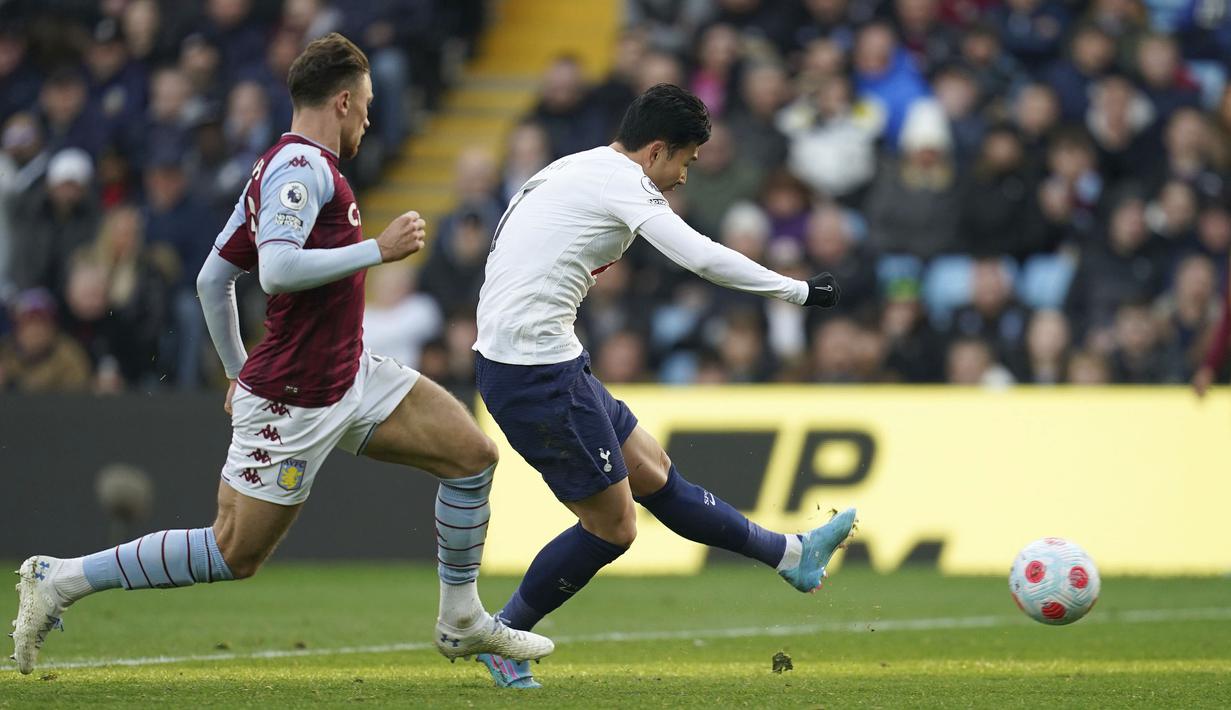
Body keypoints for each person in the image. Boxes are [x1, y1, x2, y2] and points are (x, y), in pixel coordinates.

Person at [11, 32, 552, 676]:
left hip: (348, 373)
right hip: (295, 397)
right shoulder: (302, 170)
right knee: (233, 551)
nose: (372, 117)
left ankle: (461, 620)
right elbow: (278, 270)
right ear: (345, 101)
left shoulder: (277, 166)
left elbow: (213, 279)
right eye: (370, 103)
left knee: (471, 456)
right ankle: (60, 577)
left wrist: (239, 371)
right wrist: (377, 251)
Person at [472, 84, 856, 689]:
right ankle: (501, 633)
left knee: (652, 468)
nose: (682, 178)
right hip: (532, 372)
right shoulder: (620, 182)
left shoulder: (577, 166)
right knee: (614, 527)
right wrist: (798, 290)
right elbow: (698, 257)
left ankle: (791, 555)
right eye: (684, 161)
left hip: (546, 359)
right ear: (655, 151)